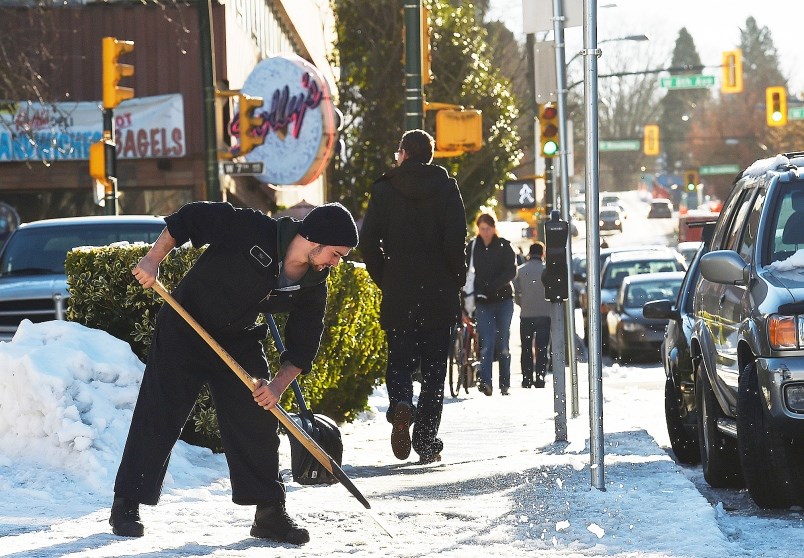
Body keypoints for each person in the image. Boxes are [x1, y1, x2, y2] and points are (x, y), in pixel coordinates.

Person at [110, 201, 359, 546]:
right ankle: (127, 504)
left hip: (238, 337)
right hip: (186, 325)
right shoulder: (252, 228)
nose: (336, 262)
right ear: (315, 239)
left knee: (257, 418)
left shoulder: (313, 283)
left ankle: (270, 514)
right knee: (160, 413)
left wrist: (276, 387)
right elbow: (189, 220)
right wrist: (153, 260)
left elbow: (304, 345)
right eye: (336, 253)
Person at [360, 129, 467, 465]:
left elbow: (369, 242)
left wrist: (385, 278)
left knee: (400, 360)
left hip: (400, 292)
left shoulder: (384, 188)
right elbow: (455, 243)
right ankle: (425, 441)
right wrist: (456, 280)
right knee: (435, 371)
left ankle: (401, 403)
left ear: (404, 153)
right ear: (431, 156)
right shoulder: (448, 189)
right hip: (439, 294)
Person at [470, 213, 517, 396]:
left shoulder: (504, 245)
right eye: (482, 229)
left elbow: (511, 271)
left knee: (503, 343)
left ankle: (504, 383)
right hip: (483, 302)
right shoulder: (474, 247)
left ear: (494, 228)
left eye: (488, 229)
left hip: (503, 300)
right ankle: (486, 382)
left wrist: (495, 286)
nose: (485, 233)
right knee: (487, 343)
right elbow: (467, 272)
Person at [513, 242, 551, 388]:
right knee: (542, 347)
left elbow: (515, 291)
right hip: (544, 314)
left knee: (526, 347)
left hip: (526, 314)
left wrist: (521, 302)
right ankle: (540, 376)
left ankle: (527, 378)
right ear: (543, 254)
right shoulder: (546, 270)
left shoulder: (521, 271)